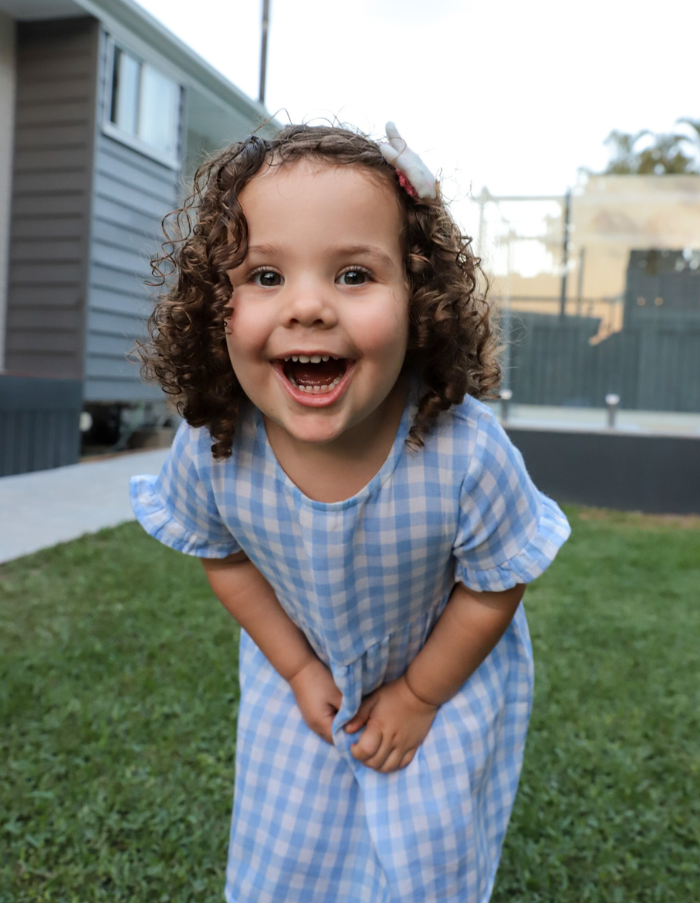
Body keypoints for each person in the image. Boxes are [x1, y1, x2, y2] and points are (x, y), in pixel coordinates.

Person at [130, 122, 570, 903]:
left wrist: (419, 696)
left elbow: (496, 583)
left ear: (420, 302)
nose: (306, 307)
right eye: (265, 276)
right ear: (213, 306)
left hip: (444, 672)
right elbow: (224, 556)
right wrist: (297, 667)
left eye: (354, 275)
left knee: (426, 855)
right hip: (294, 669)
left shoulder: (465, 454)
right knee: (287, 852)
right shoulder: (215, 446)